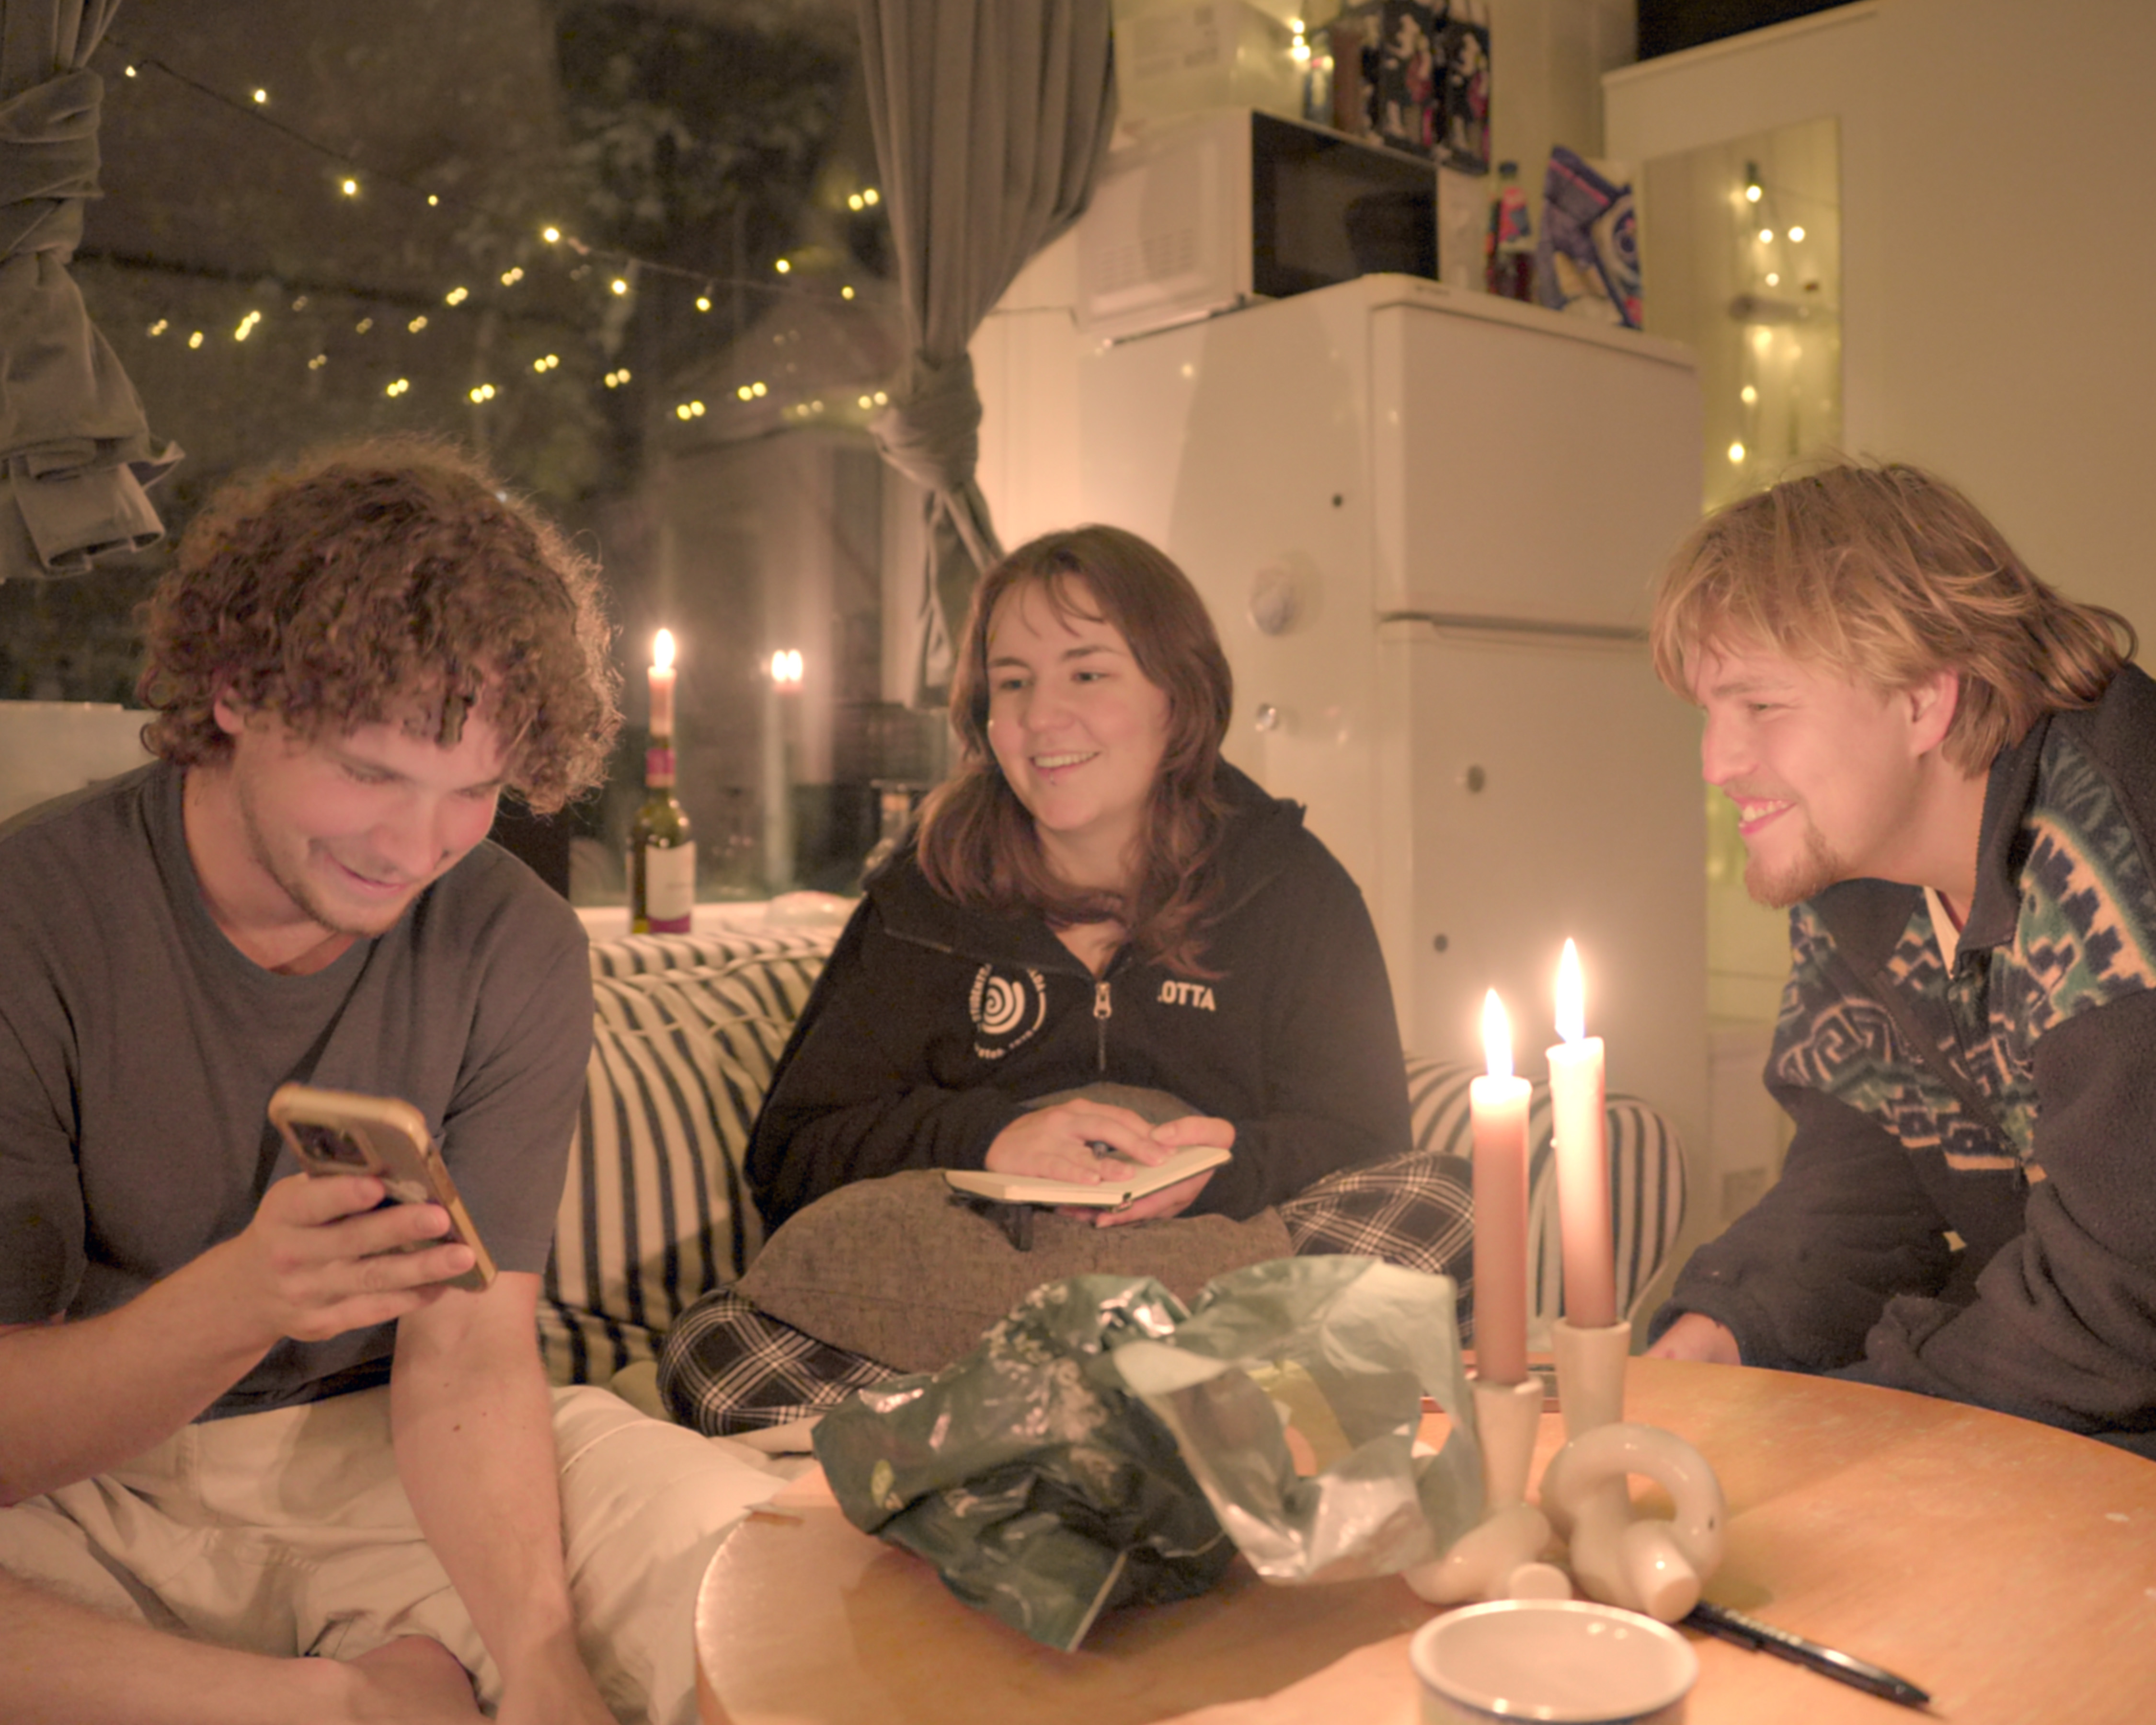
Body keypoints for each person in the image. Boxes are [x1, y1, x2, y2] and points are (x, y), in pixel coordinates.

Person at [0, 440, 780, 1724]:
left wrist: (540, 1666)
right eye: (368, 774)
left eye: (470, 792)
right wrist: (247, 1298)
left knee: (747, 1543)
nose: (416, 850)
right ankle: (342, 1703)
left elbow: (469, 1360)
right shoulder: (36, 917)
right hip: (96, 1484)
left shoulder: (509, 942)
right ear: (239, 692)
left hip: (385, 1460)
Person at [661, 525, 1473, 1433]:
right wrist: (990, 1137)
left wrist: (1226, 1164)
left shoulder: (1289, 887)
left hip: (1206, 1270)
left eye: (1088, 674)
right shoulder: (924, 896)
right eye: (1013, 683)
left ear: (1179, 695)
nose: (1043, 717)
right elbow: (790, 1156)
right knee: (714, 1357)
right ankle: (1138, 1423)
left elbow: (1370, 1147)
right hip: (967, 1289)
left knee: (1446, 1204)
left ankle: (1008, 1430)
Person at [1641, 459, 2156, 1454]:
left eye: (1761, 707)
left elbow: (2121, 1306)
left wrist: (1866, 1416)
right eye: (1710, 713)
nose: (1716, 764)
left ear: (1925, 700)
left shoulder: (2111, 850)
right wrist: (1727, 1330)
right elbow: (1869, 1168)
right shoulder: (1862, 877)